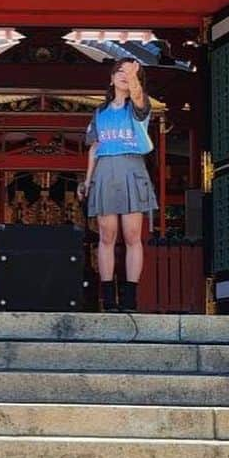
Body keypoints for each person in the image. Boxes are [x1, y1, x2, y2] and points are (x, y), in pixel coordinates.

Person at [78, 59, 157, 308]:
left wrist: (134, 78)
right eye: (120, 71)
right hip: (104, 170)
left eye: (131, 73)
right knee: (106, 235)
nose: (125, 75)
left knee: (133, 235)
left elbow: (137, 96)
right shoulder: (99, 113)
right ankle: (109, 296)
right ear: (111, 78)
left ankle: (130, 296)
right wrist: (88, 181)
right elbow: (94, 148)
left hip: (132, 166)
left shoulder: (139, 106)